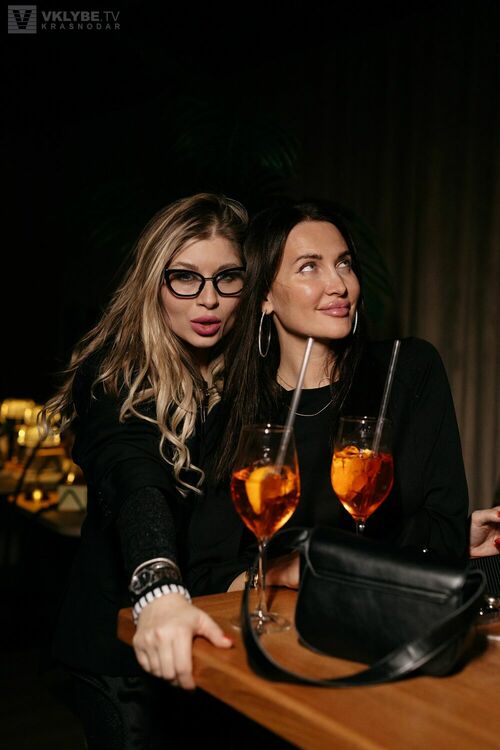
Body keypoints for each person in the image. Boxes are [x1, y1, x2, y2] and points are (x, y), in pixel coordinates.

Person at [41, 192, 249, 748]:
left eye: (227, 278)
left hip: (213, 633)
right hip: (121, 654)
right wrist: (158, 588)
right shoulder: (112, 375)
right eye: (185, 278)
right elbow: (137, 481)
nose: (209, 299)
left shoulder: (245, 379)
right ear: (153, 283)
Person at [185, 198, 470, 597]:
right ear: (265, 296)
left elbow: (446, 535)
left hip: (392, 609)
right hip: (282, 622)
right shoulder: (238, 416)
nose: (339, 285)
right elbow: (205, 575)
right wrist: (276, 572)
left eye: (344, 264)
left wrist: (322, 558)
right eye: (309, 267)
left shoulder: (407, 371)